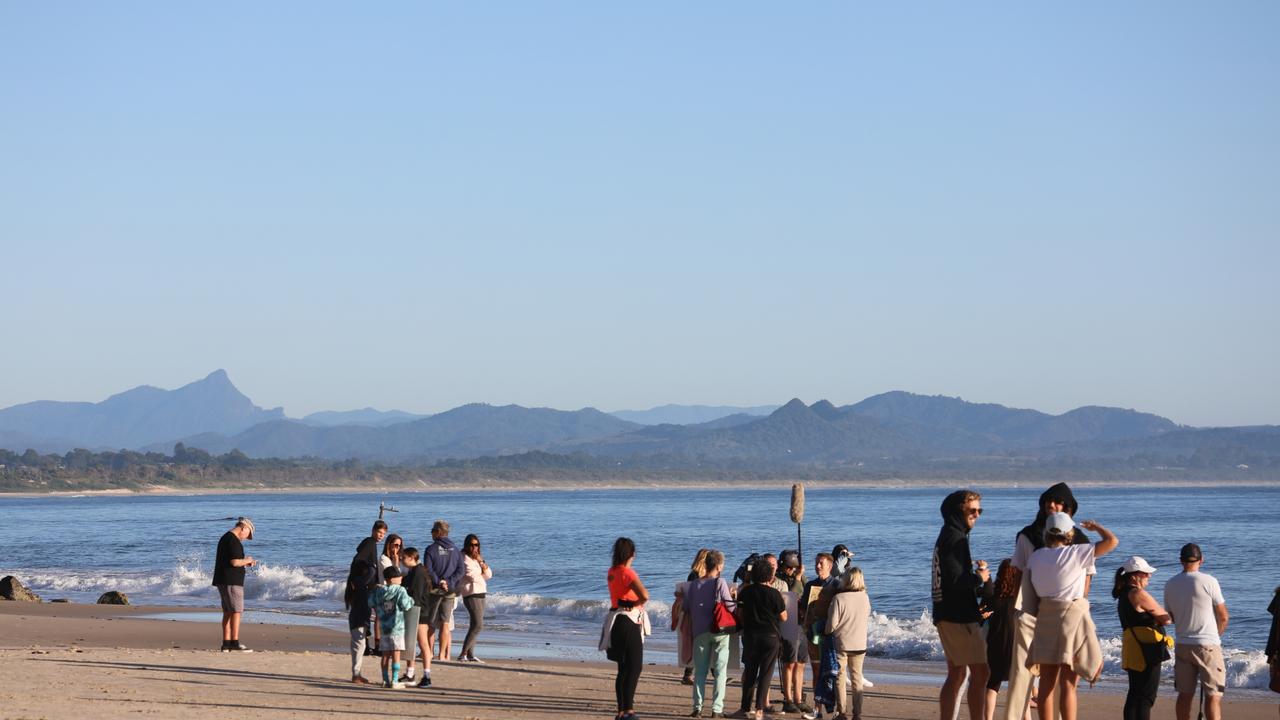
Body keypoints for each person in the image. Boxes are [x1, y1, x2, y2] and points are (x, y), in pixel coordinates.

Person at [1006, 482, 1094, 720]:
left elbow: (1087, 579)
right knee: (1023, 673)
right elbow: (1018, 574)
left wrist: (1082, 608)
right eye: (1048, 502)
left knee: (1060, 678)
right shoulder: (1027, 535)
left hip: (1068, 615)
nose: (1052, 506)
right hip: (1029, 613)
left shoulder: (1081, 540)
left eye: (1059, 503)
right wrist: (1016, 609)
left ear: (1069, 508)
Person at [1025, 512, 1117, 720]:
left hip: (1046, 617)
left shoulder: (1035, 557)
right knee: (1068, 684)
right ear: (1069, 533)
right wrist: (1097, 528)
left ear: (1046, 533)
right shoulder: (1077, 553)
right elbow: (1112, 541)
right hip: (1070, 620)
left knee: (1047, 683)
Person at [932, 489, 992, 720]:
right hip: (958, 615)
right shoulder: (955, 538)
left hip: (944, 612)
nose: (977, 515)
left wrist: (975, 579)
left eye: (979, 510)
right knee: (980, 672)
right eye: (972, 510)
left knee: (957, 673)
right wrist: (981, 578)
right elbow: (956, 580)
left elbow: (950, 578)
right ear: (958, 510)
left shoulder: (948, 534)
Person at [1164, 543, 1229, 720]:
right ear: (1201, 560)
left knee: (1184, 695)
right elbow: (1223, 616)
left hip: (1183, 644)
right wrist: (1216, 638)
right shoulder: (1209, 581)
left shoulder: (1170, 584)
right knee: (1213, 696)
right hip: (1207, 644)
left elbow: (1172, 617)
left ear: (1181, 561)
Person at [1113, 556, 1172, 720]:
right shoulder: (1138, 593)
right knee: (1146, 696)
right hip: (1147, 649)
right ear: (1134, 576)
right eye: (1145, 573)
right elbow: (1166, 619)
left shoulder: (1123, 594)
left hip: (1132, 647)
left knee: (1135, 693)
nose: (1149, 576)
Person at [601, 537, 650, 720]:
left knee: (623, 669)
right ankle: (628, 711)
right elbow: (645, 595)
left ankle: (621, 711)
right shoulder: (628, 573)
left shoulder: (612, 571)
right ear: (632, 554)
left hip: (616, 621)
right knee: (635, 667)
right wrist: (635, 603)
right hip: (629, 621)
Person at [684, 549, 735, 719]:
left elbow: (686, 607)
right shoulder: (720, 582)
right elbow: (731, 607)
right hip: (719, 630)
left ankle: (697, 707)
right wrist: (734, 597)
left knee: (700, 671)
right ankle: (716, 709)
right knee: (720, 671)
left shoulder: (695, 584)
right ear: (719, 566)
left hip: (700, 631)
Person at [734, 560, 786, 720]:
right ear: (770, 576)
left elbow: (740, 615)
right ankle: (759, 710)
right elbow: (784, 617)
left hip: (751, 636)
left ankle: (744, 709)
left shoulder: (745, 592)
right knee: (765, 674)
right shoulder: (774, 594)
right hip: (770, 637)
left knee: (750, 673)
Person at [981, 559, 1029, 720]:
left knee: (993, 684)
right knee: (1021, 686)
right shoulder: (1021, 598)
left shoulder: (993, 597)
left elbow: (979, 617)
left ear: (1000, 574)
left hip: (995, 644)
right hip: (1017, 645)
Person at [826, 566, 871, 720]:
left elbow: (832, 624)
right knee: (857, 678)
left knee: (840, 677)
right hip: (860, 643)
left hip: (842, 643)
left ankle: (842, 712)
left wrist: (825, 631)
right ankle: (857, 714)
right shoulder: (865, 597)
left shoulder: (839, 598)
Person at [212, 517, 255, 652]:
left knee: (228, 612)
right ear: (243, 528)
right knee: (236, 611)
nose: (245, 538)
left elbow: (231, 561)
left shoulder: (225, 538)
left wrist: (244, 562)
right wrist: (247, 560)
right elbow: (235, 562)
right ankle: (234, 643)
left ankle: (226, 643)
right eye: (247, 534)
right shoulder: (233, 540)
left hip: (222, 579)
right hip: (231, 581)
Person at [801, 552, 836, 720]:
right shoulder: (810, 586)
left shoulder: (836, 584)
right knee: (816, 672)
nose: (818, 566)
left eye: (821, 563)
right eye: (816, 563)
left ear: (830, 565)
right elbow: (803, 608)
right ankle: (817, 710)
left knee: (832, 672)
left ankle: (836, 709)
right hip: (813, 634)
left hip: (830, 635)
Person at [424, 520, 464, 662]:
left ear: (439, 533)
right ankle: (442, 654)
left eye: (433, 531)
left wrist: (439, 581)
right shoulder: (455, 550)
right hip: (449, 591)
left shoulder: (430, 549)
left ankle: (429, 653)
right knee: (445, 623)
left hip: (435, 591)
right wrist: (449, 582)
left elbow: (428, 569)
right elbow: (461, 570)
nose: (431, 533)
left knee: (431, 624)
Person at [369, 565, 415, 689]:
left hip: (384, 628)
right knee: (396, 654)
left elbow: (370, 602)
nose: (401, 578)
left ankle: (385, 680)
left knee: (385, 655)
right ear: (393, 578)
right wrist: (412, 600)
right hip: (397, 628)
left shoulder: (379, 591)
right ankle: (394, 680)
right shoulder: (400, 590)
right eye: (399, 576)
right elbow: (406, 605)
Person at [457, 533, 492, 663]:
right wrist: (481, 575)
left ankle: (471, 654)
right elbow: (471, 576)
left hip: (481, 592)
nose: (474, 547)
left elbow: (489, 574)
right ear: (466, 546)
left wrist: (481, 562)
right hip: (471, 593)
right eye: (471, 545)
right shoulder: (464, 558)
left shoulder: (476, 559)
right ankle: (463, 654)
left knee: (475, 625)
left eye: (476, 545)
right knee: (478, 625)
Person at [678, 548, 711, 685]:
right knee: (698, 643)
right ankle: (688, 674)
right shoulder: (695, 575)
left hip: (697, 612)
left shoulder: (697, 574)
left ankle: (689, 674)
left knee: (699, 643)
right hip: (696, 613)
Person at [344, 557, 378, 683]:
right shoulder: (359, 583)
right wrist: (373, 565)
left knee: (357, 645)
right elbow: (372, 572)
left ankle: (356, 673)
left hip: (356, 618)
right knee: (359, 646)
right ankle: (356, 674)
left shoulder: (355, 583)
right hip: (359, 619)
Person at [400, 547, 430, 685]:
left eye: (404, 558)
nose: (402, 560)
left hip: (418, 611)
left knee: (422, 643)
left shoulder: (418, 572)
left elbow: (415, 594)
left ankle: (427, 675)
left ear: (412, 558)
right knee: (410, 642)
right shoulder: (413, 571)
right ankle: (410, 673)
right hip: (415, 609)